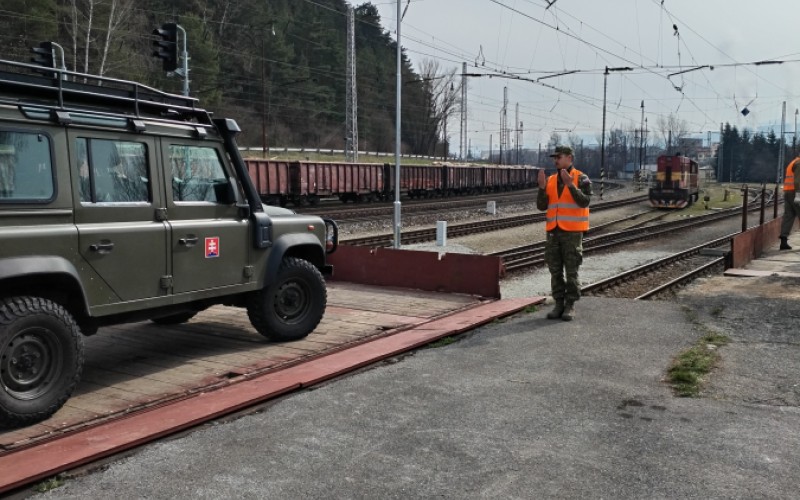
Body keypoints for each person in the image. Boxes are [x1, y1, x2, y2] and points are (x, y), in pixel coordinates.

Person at [536, 145, 592, 321]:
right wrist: (541, 188)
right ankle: (558, 304)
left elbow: (585, 201)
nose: (556, 160)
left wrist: (570, 186)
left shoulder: (581, 178)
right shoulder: (551, 180)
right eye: (555, 158)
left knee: (571, 270)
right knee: (555, 270)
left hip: (572, 233)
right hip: (554, 232)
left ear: (569, 158)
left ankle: (570, 305)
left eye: (559, 157)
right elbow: (542, 206)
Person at [779, 155, 800, 250]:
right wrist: (798, 194)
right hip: (795, 192)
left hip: (788, 192)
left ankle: (783, 240)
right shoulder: (799, 163)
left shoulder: (793, 162)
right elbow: (797, 181)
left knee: (788, 216)